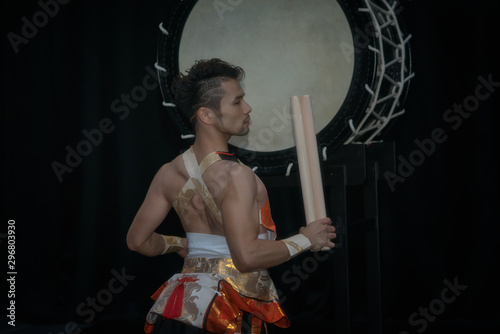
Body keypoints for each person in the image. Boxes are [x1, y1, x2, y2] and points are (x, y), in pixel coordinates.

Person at [126, 58, 336, 334]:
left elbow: (137, 241)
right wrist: (306, 239)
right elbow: (246, 257)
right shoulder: (236, 175)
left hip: (181, 310)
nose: (247, 108)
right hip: (229, 313)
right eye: (237, 102)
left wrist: (179, 242)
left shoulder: (168, 173)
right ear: (206, 115)